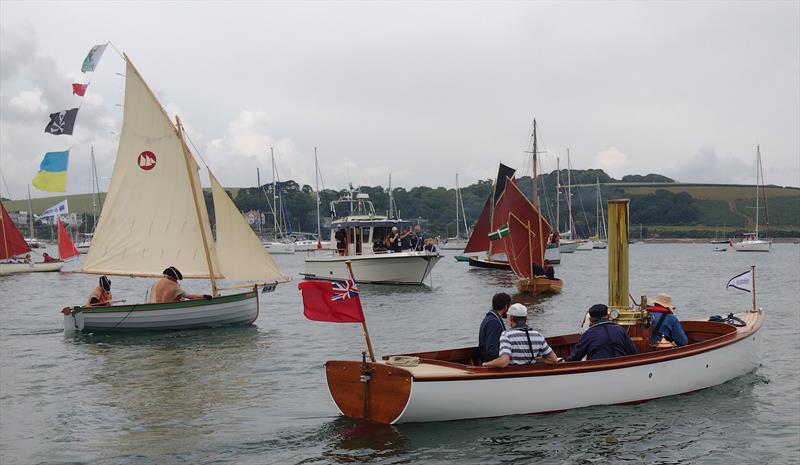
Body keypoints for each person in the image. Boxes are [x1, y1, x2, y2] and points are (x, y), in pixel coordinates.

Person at [482, 303, 559, 367]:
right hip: (532, 375)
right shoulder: (538, 335)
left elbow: (503, 362)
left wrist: (487, 364)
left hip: (513, 375)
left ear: (511, 318)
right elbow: (553, 359)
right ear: (525, 318)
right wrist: (537, 360)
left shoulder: (506, 335)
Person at [567, 304, 637, 361]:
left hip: (600, 369)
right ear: (609, 316)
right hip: (623, 367)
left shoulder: (588, 334)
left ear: (590, 320)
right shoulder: (620, 330)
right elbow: (633, 352)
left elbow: (575, 358)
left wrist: (563, 360)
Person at [478, 293, 511, 363]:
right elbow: (491, 351)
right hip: (492, 364)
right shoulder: (494, 322)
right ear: (506, 307)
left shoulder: (491, 318)